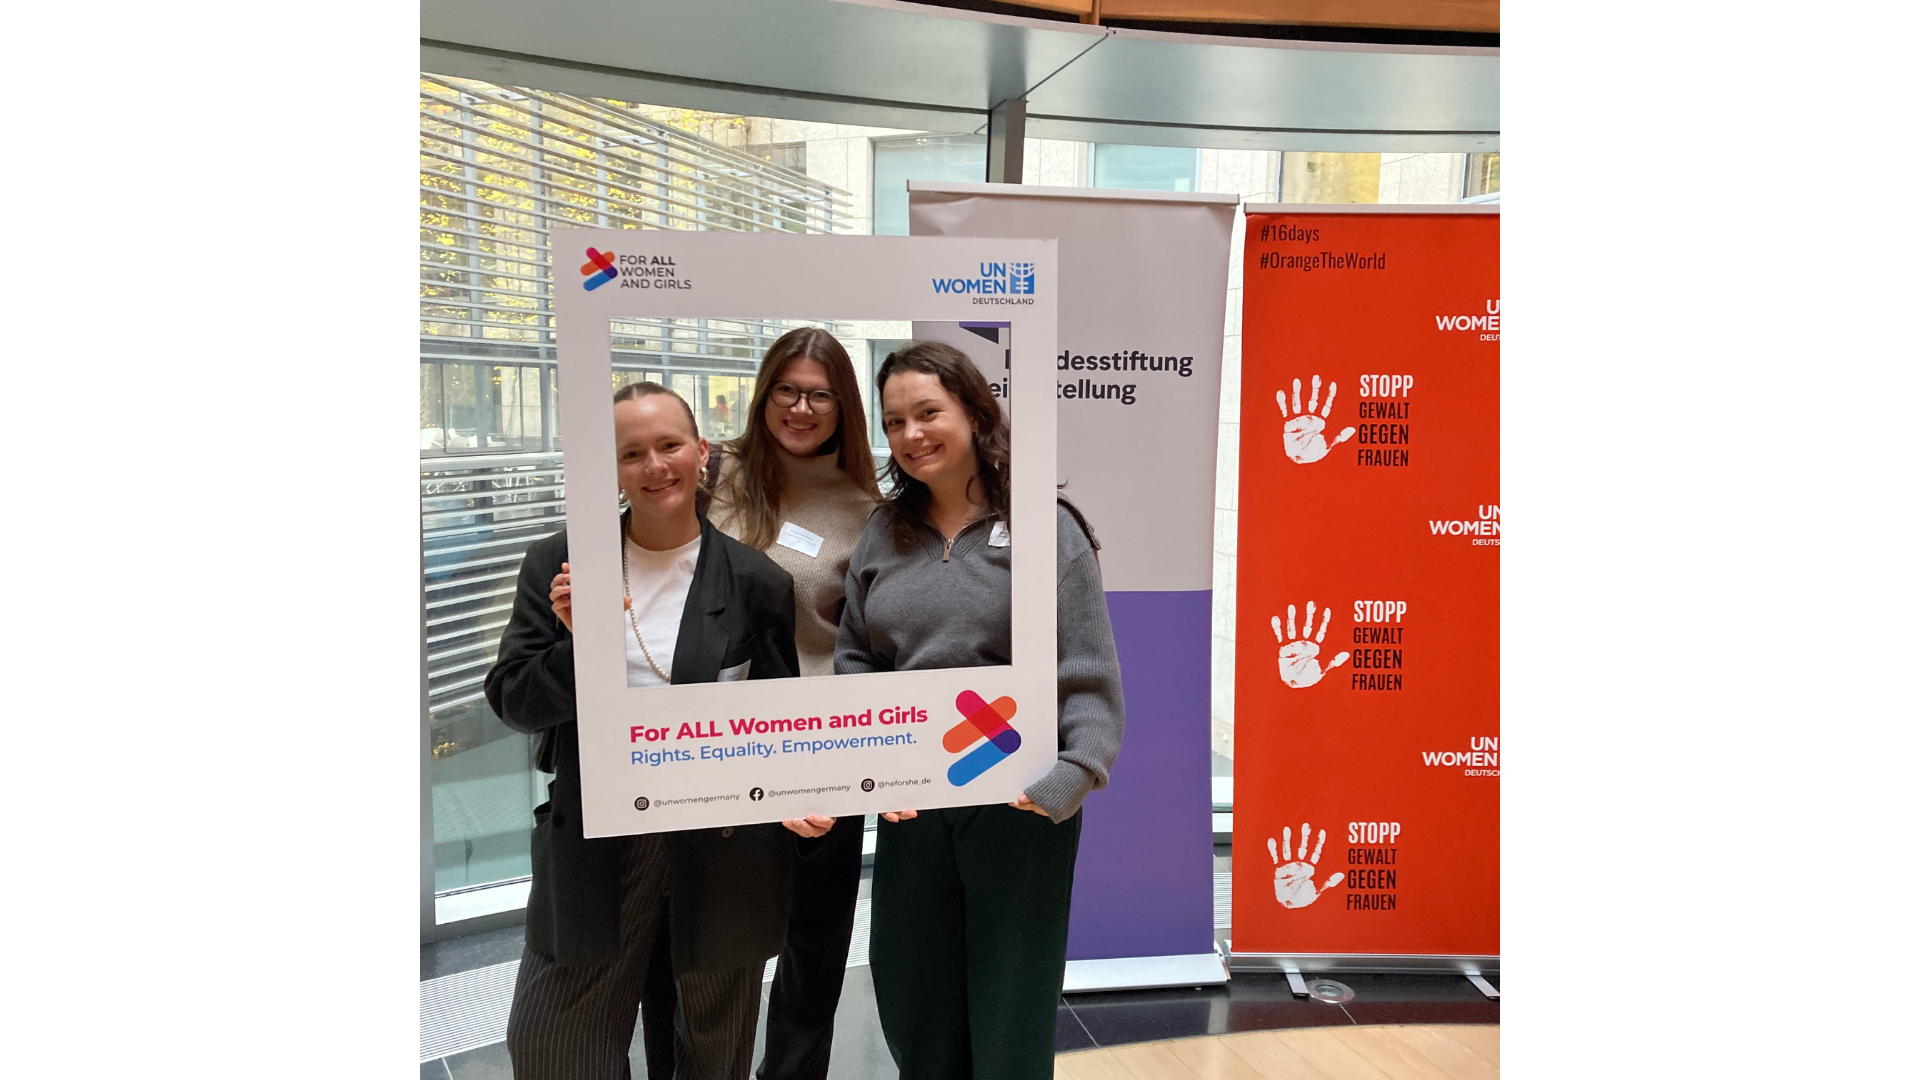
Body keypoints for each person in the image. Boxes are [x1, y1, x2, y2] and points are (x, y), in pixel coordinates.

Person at [485, 380, 802, 1080]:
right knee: (552, 1042)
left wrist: (805, 793)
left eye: (669, 445)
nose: (655, 466)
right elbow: (513, 699)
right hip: (598, 837)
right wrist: (583, 643)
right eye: (632, 453)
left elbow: (778, 723)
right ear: (611, 468)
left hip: (723, 842)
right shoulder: (560, 564)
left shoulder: (755, 582)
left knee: (714, 1047)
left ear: (701, 451)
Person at [835, 341, 1126, 1080]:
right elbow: (856, 660)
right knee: (914, 1000)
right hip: (913, 802)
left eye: (927, 412)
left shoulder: (1046, 525)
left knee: (1010, 1012)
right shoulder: (882, 531)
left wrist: (1074, 773)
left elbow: (1087, 670)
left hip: (1018, 804)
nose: (910, 434)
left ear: (973, 412)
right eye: (894, 421)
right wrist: (874, 767)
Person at [638, 328, 882, 1080]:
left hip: (820, 746)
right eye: (788, 390)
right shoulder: (712, 473)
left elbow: (869, 634)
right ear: (764, 390)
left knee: (813, 942)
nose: (801, 409)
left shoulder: (868, 508)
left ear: (844, 406)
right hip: (705, 745)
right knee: (686, 943)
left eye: (821, 395)